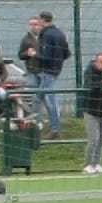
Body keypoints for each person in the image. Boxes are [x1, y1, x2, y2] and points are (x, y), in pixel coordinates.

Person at [34, 9, 70, 138]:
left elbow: (47, 56)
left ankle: (55, 129)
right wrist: (58, 62)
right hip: (56, 69)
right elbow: (67, 53)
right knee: (37, 98)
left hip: (48, 71)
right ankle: (35, 124)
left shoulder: (47, 35)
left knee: (50, 100)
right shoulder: (60, 33)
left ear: (42, 20)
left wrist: (34, 55)